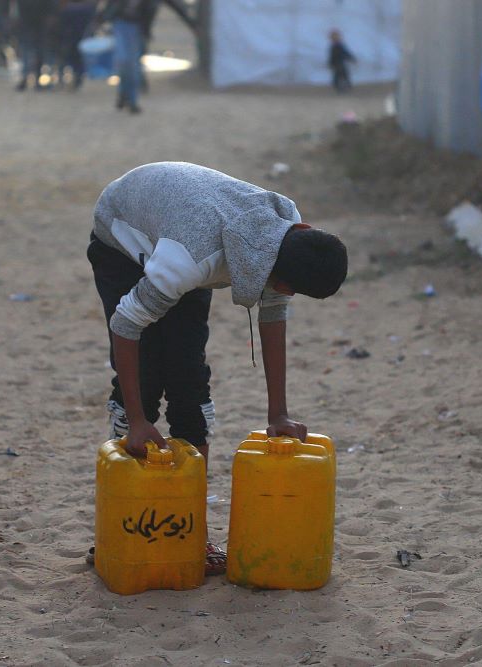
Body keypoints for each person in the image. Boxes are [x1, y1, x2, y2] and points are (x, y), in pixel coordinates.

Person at [86, 162, 348, 575]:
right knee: (146, 379)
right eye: (290, 288)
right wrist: (137, 420)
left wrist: (277, 413)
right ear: (276, 273)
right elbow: (125, 324)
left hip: (184, 225)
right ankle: (117, 531)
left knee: (190, 384)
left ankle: (191, 533)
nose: (288, 294)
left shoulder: (288, 233)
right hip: (124, 231)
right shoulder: (190, 258)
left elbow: (274, 313)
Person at [99, 0, 155, 113]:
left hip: (136, 28)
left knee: (133, 66)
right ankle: (124, 93)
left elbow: (150, 11)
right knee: (123, 61)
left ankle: (132, 100)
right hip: (120, 24)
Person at [13, 0, 55, 90]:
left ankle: (28, 78)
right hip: (36, 25)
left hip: (31, 24)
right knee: (37, 53)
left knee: (29, 53)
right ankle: (36, 80)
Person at [58, 0, 96, 90]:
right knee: (76, 56)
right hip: (78, 33)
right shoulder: (88, 7)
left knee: (71, 56)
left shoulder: (67, 9)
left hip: (71, 34)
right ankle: (76, 76)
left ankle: (67, 77)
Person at [328, 29, 356, 93]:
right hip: (337, 64)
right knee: (339, 77)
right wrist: (330, 63)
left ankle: (344, 87)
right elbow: (332, 56)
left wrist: (351, 58)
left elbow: (345, 53)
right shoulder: (334, 46)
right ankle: (341, 88)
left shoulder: (339, 45)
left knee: (342, 76)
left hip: (340, 63)